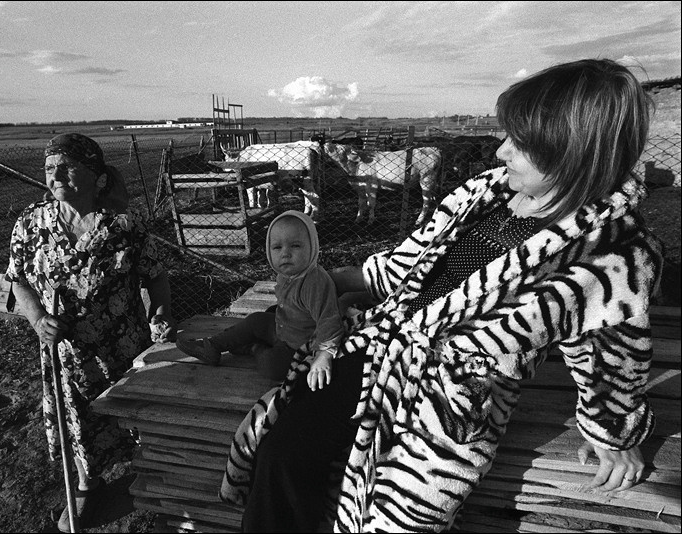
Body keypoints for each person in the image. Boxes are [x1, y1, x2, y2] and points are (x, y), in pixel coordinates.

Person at [219, 58, 663, 532]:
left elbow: (609, 355)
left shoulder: (610, 253)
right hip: (377, 346)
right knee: (284, 452)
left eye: (520, 143)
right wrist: (331, 281)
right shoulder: (481, 194)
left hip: (451, 400)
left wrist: (612, 433)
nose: (500, 153)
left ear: (573, 154)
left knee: (397, 519)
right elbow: (407, 266)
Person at [5, 133, 177, 532]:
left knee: (134, 421)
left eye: (67, 167)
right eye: (50, 168)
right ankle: (86, 486)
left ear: (97, 176)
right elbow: (18, 282)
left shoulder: (124, 225)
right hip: (64, 355)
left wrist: (162, 313)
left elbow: (156, 276)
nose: (56, 175)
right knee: (77, 424)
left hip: (122, 348)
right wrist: (36, 320)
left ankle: (152, 478)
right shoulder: (30, 223)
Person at [176, 210, 344, 389]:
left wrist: (323, 356)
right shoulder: (286, 275)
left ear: (313, 246)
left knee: (272, 368)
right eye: (277, 247)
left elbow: (329, 320)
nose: (285, 253)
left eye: (295, 246)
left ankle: (254, 348)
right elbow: (290, 305)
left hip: (298, 345)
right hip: (281, 328)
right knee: (255, 320)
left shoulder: (314, 282)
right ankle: (211, 346)